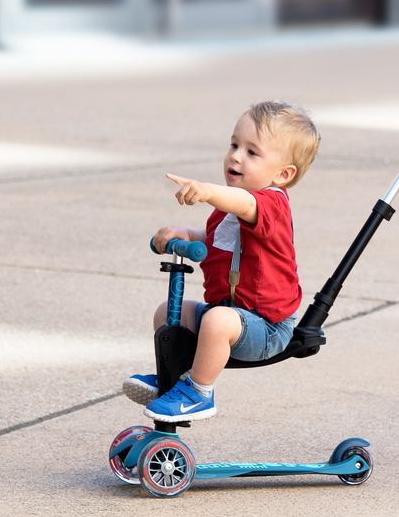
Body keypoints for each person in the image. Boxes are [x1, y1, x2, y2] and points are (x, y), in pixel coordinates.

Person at [122, 101, 319, 422]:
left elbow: (244, 202)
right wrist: (186, 232)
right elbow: (217, 240)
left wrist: (207, 190)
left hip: (266, 328)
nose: (236, 156)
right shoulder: (227, 210)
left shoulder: (271, 204)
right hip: (230, 316)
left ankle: (198, 393)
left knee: (217, 321)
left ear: (282, 174)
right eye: (234, 144)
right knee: (169, 313)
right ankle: (173, 381)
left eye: (252, 152)